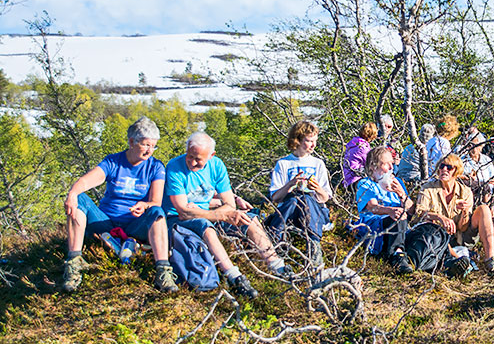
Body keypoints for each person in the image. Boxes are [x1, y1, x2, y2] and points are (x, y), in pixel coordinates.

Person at [163, 132, 288, 299]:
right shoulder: (174, 167)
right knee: (206, 228)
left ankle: (276, 264)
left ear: (211, 155)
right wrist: (219, 214)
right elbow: (183, 211)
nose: (192, 162)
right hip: (177, 219)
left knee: (249, 218)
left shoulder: (217, 166)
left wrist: (222, 212)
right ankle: (233, 276)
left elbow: (230, 204)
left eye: (198, 159)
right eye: (190, 156)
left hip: (206, 211)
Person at [61, 117, 176, 293]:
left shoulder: (156, 167)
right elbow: (87, 181)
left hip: (136, 224)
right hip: (106, 222)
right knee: (80, 198)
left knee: (157, 212)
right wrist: (72, 193)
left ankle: (163, 271)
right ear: (131, 142)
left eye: (153, 146)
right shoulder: (113, 162)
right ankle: (74, 264)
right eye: (146, 145)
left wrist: (144, 205)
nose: (150, 151)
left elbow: (155, 201)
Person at [415, 154, 494, 275]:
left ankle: (491, 259)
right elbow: (420, 213)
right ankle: (457, 259)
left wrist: (465, 212)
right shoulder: (428, 189)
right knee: (429, 224)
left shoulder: (465, 192)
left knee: (484, 209)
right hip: (437, 237)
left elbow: (462, 227)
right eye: (441, 166)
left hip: (460, 236)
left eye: (449, 167)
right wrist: (440, 218)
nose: (444, 170)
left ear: (456, 171)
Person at [265, 121, 333, 267]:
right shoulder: (283, 164)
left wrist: (317, 188)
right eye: (309, 141)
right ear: (297, 140)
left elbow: (325, 197)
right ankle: (278, 245)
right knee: (296, 199)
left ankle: (314, 247)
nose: (313, 145)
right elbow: (276, 198)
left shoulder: (318, 163)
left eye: (315, 141)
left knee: (306, 198)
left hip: (314, 208)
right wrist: (291, 184)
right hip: (290, 208)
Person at [354, 147, 416, 274]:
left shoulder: (397, 182)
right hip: (378, 225)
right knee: (398, 216)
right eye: (386, 164)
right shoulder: (365, 184)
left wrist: (401, 194)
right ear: (373, 166)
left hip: (402, 221)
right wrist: (390, 211)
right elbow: (373, 208)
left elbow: (412, 211)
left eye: (392, 163)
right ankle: (396, 255)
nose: (391, 168)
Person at [461, 132, 494, 205]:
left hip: (489, 193)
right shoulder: (462, 161)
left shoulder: (486, 160)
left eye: (477, 146)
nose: (474, 149)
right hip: (471, 193)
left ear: (481, 147)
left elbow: (493, 178)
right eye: (471, 145)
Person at [342, 122, 378, 191]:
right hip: (355, 179)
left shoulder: (353, 143)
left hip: (347, 179)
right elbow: (370, 164)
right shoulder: (362, 148)